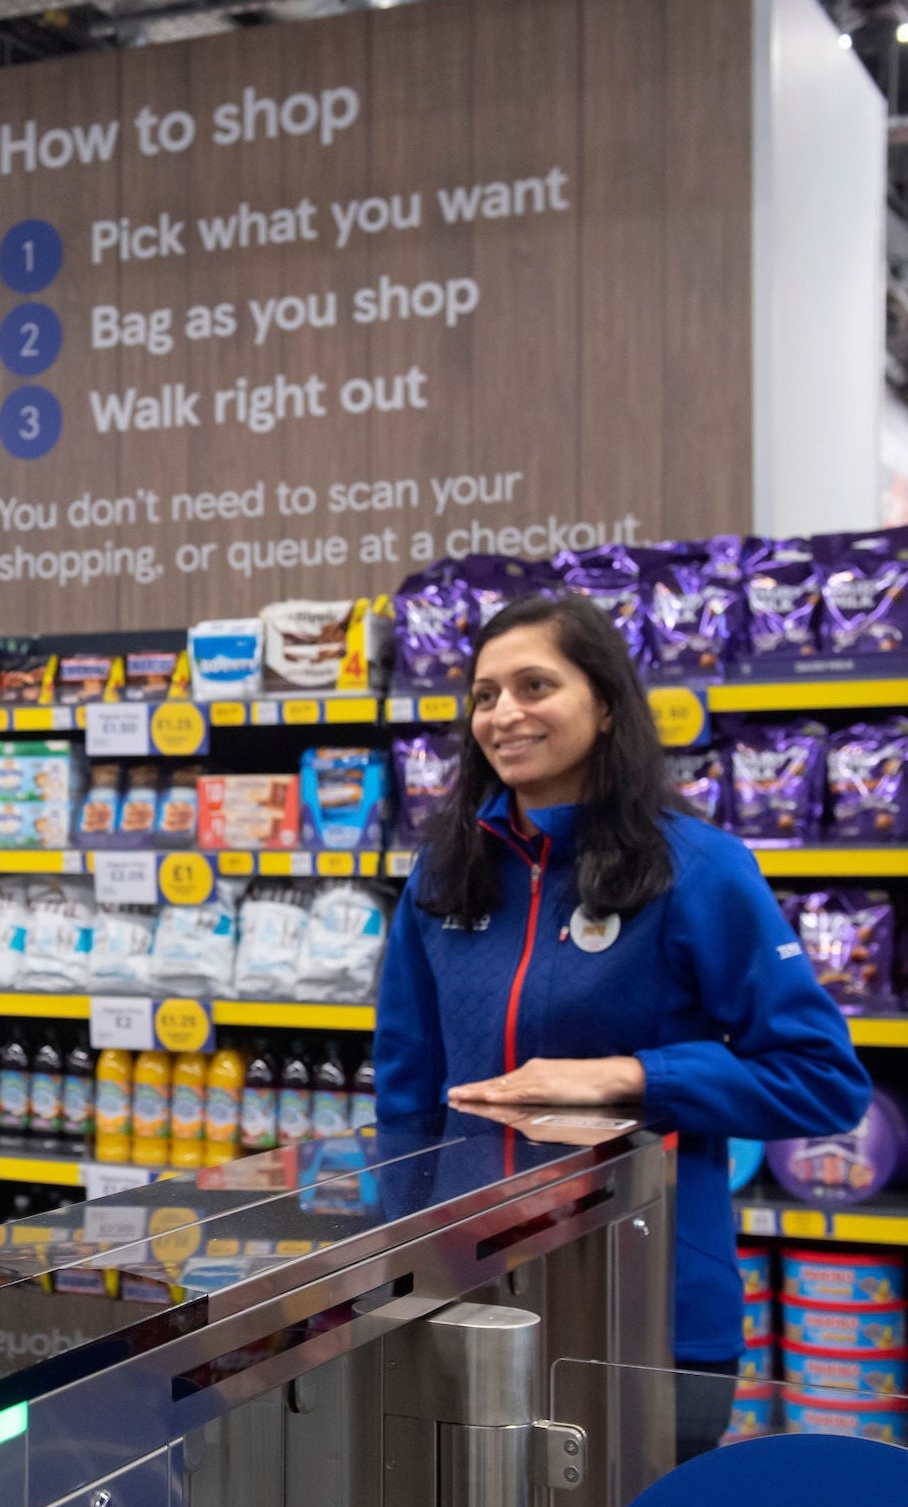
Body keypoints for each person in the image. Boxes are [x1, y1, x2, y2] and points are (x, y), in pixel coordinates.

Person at [373, 590, 870, 1463]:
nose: (504, 714)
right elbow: (407, 1095)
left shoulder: (697, 869)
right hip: (468, 1302)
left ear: (604, 704)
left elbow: (823, 1080)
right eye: (485, 696)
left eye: (535, 685)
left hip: (649, 1312)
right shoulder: (444, 874)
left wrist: (630, 1076)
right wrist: (399, 1273)